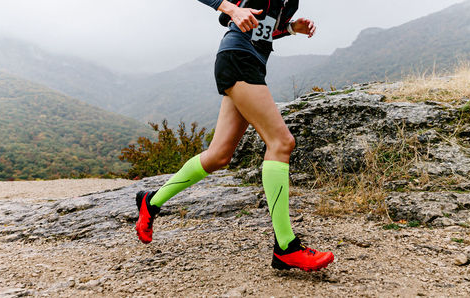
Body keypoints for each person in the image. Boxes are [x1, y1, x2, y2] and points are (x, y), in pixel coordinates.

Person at [135, 0, 334, 272]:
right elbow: (239, 18)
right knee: (281, 142)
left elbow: (262, 29)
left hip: (250, 62)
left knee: (219, 155)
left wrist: (288, 27)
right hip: (237, 57)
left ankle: (151, 201)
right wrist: (231, 9)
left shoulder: (291, 2)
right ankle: (286, 247)